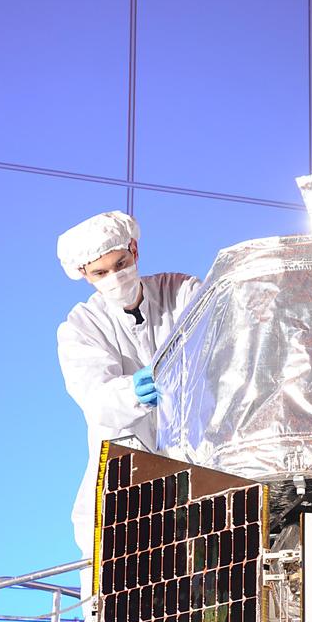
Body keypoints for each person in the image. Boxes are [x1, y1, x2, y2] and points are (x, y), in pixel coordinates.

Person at [56, 210, 201, 587]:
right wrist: (131, 391)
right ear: (84, 275)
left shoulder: (180, 291)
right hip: (128, 482)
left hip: (194, 468)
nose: (115, 277)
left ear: (134, 249)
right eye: (100, 273)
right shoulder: (81, 327)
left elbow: (217, 342)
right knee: (123, 597)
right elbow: (95, 396)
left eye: (120, 264)